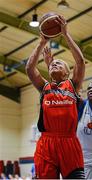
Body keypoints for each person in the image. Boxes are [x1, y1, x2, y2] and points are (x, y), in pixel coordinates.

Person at [26, 14, 85, 179]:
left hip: (69, 141)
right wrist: (42, 42)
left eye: (58, 63)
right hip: (47, 143)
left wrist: (66, 34)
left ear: (67, 73)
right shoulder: (45, 87)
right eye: (52, 64)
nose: (54, 64)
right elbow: (30, 69)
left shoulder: (72, 85)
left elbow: (80, 61)